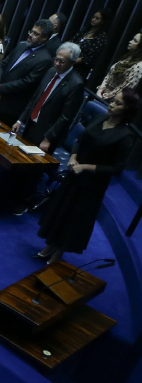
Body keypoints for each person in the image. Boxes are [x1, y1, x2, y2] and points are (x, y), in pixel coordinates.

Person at [34, 89, 138, 264]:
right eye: (113, 100)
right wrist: (74, 158)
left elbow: (116, 168)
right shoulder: (101, 118)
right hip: (74, 174)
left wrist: (85, 167)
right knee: (61, 211)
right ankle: (50, 245)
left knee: (75, 219)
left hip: (92, 185)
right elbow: (80, 141)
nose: (112, 104)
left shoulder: (126, 136)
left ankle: (59, 252)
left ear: (127, 109)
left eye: (118, 103)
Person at [13, 44, 86, 152]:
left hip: (46, 134)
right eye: (56, 59)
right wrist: (20, 120)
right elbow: (36, 98)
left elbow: (66, 117)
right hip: (31, 125)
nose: (57, 63)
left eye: (62, 61)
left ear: (73, 62)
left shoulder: (76, 84)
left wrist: (48, 138)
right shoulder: (51, 71)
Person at [0, 18, 54, 125]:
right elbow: (2, 65)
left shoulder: (45, 59)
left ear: (45, 38)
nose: (30, 35)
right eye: (31, 31)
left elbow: (27, 82)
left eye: (35, 34)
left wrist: (1, 88)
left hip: (12, 106)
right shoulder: (21, 45)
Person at [96, 30, 142, 101]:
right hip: (102, 94)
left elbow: (125, 88)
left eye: (135, 41)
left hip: (113, 101)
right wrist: (100, 90)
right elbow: (109, 75)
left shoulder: (139, 66)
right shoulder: (128, 57)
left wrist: (106, 96)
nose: (130, 41)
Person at [70, 8, 112, 80]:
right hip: (68, 60)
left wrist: (72, 61)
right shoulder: (85, 30)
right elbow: (72, 41)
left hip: (79, 70)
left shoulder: (101, 38)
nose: (93, 19)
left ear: (103, 21)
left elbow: (89, 58)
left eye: (97, 18)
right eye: (93, 17)